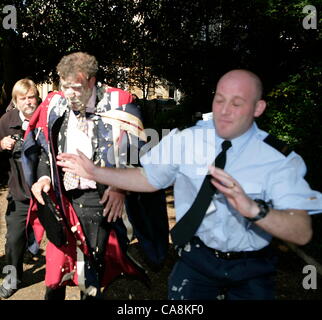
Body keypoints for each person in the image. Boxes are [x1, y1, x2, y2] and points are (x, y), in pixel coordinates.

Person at [56, 69, 322, 300]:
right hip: (195, 263)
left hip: (251, 270)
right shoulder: (186, 140)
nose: (224, 110)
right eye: (220, 99)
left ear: (258, 108)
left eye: (237, 103)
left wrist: (253, 209)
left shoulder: (279, 159)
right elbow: (147, 178)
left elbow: (301, 232)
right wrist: (96, 172)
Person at [21, 52, 168, 300]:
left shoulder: (120, 104)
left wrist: (120, 188)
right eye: (65, 86)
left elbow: (139, 154)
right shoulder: (54, 104)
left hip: (98, 201)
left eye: (77, 87)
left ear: (91, 81)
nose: (70, 94)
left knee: (91, 272)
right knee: (56, 272)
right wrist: (44, 178)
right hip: (63, 199)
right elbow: (45, 150)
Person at [0, 79, 40, 299]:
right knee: (14, 239)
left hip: (47, 194)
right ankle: (11, 278)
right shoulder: (7, 120)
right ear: (15, 101)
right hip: (20, 194)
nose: (28, 102)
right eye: (22, 98)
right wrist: (1, 144)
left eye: (31, 97)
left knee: (61, 236)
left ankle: (67, 273)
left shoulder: (47, 117)